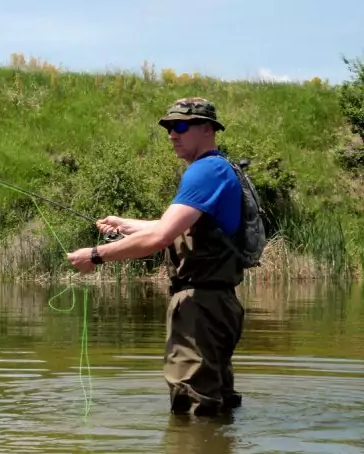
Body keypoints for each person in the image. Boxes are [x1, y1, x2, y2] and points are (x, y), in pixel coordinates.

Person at [67, 97, 250, 417]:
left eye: (181, 126)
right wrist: (125, 225)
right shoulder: (220, 170)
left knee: (193, 407)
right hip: (218, 304)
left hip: (200, 307)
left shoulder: (204, 172)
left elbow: (161, 237)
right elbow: (173, 228)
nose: (172, 134)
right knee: (215, 404)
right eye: (168, 127)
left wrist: (95, 256)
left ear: (208, 129)